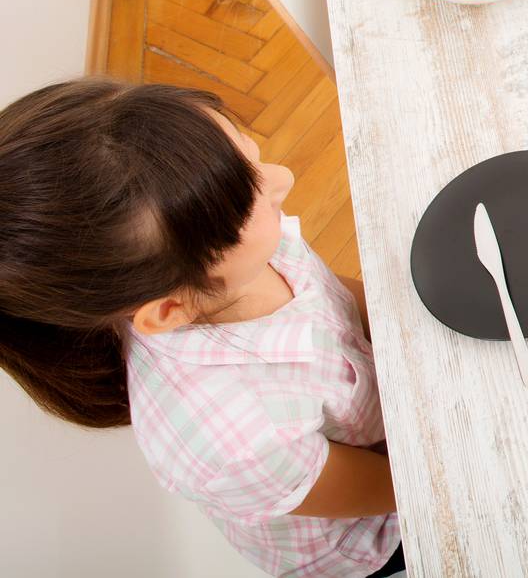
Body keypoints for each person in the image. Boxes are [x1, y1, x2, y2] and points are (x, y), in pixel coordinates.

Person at [0, 79, 404, 577]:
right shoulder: (229, 440)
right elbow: (398, 487)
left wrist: (411, 333)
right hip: (376, 534)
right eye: (252, 195)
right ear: (171, 309)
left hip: (390, 420)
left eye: (250, 160)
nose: (282, 179)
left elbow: (336, 299)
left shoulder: (227, 244)